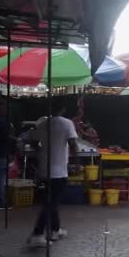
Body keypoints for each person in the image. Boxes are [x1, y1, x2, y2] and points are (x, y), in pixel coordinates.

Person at [28, 104, 78, 247]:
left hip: (44, 169)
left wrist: (42, 152)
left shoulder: (43, 124)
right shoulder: (67, 123)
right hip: (59, 171)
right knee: (51, 203)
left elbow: (32, 142)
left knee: (52, 201)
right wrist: (77, 162)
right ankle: (38, 233)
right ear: (62, 108)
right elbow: (73, 144)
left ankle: (56, 230)